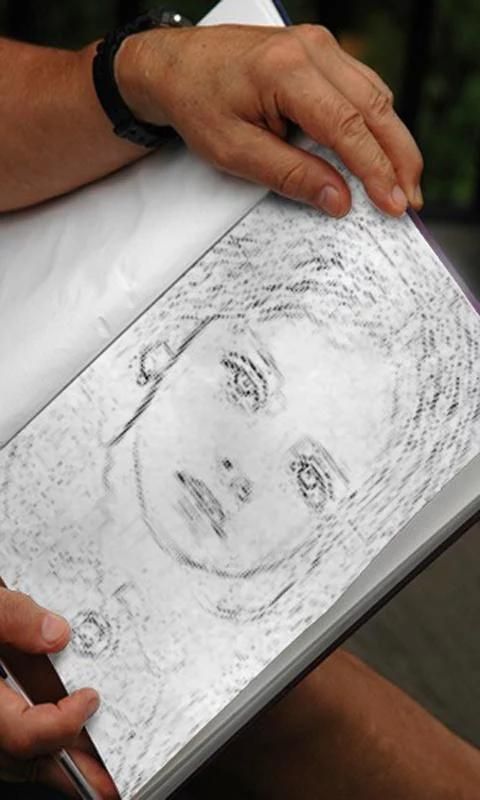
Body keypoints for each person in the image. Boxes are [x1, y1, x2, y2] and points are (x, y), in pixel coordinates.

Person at [0, 14, 478, 800]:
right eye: (248, 383)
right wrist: (133, 75)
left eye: (311, 475)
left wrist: (138, 75)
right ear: (173, 342)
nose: (242, 470)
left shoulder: (212, 666)